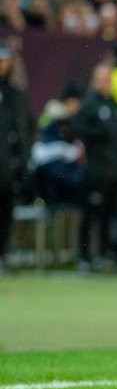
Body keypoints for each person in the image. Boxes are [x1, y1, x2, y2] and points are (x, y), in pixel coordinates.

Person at [73, 62, 117, 272]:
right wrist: (101, 132)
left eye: (109, 79)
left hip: (114, 169)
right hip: (95, 169)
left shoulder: (116, 104)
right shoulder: (89, 104)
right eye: (102, 79)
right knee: (90, 212)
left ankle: (104, 254)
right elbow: (80, 131)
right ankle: (83, 255)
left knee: (108, 214)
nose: (106, 83)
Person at [0, 43, 30, 272]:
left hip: (9, 168)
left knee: (6, 212)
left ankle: (3, 253)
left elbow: (24, 131)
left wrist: (22, 162)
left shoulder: (17, 96)